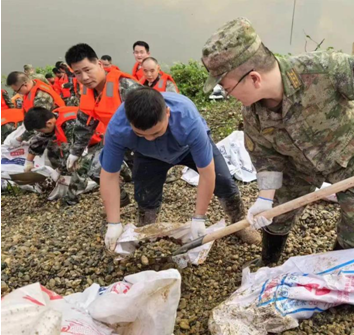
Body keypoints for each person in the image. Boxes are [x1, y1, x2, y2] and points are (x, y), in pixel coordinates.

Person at [201, 17, 354, 266]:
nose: (227, 95)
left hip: (347, 158)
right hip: (296, 166)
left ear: (254, 79)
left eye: (227, 87)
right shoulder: (253, 113)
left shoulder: (324, 70)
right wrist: (265, 199)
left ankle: (335, 269)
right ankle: (268, 263)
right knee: (276, 214)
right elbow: (265, 156)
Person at [100, 87, 261, 251]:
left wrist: (199, 217)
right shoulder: (117, 129)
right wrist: (114, 223)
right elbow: (109, 176)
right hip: (147, 155)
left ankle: (239, 221)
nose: (149, 138)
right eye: (141, 134)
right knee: (145, 195)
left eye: (155, 133)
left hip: (186, 148)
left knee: (223, 180)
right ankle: (146, 229)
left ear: (167, 114)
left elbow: (207, 173)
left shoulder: (188, 119)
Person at [64, 43, 142, 205]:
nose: (84, 77)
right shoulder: (88, 91)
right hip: (118, 140)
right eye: (78, 73)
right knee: (92, 167)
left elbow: (154, 114)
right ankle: (121, 199)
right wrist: (75, 152)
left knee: (146, 185)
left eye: (87, 70)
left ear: (99, 64)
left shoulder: (126, 87)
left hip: (143, 141)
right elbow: (84, 124)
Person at [23, 107, 118, 205]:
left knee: (83, 167)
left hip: (99, 140)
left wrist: (59, 171)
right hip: (81, 145)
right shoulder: (52, 118)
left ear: (49, 124)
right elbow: (40, 139)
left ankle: (71, 199)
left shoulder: (70, 124)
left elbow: (77, 151)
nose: (41, 133)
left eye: (40, 130)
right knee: (54, 151)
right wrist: (29, 162)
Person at [6, 71, 65, 145]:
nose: (18, 93)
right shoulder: (31, 86)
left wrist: (20, 138)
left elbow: (39, 122)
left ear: (25, 85)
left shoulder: (41, 97)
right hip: (45, 125)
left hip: (57, 128)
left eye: (17, 91)